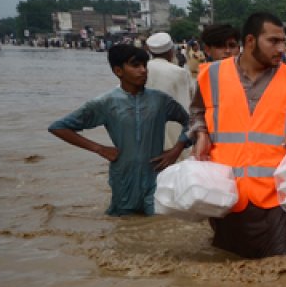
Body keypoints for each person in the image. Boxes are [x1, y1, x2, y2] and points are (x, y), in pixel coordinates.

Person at [189, 12, 286, 259]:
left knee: (281, 275)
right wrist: (200, 133)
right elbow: (197, 112)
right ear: (250, 41)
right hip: (227, 195)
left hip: (280, 200)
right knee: (226, 275)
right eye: (273, 41)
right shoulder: (212, 76)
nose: (281, 48)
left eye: (283, 41)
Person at [49, 44, 190, 216]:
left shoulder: (160, 101)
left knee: (157, 222)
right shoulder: (106, 103)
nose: (143, 70)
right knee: (124, 228)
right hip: (123, 179)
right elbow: (59, 127)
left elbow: (193, 122)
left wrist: (176, 149)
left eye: (144, 65)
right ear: (118, 71)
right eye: (136, 65)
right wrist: (99, 149)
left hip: (156, 176)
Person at [145, 31, 193, 150]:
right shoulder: (179, 72)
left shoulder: (139, 69)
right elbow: (188, 100)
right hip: (175, 129)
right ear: (171, 51)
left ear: (150, 52)